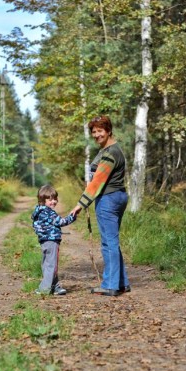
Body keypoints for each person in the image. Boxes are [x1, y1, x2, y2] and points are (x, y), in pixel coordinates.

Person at [71, 115, 130, 297]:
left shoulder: (110, 153)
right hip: (117, 195)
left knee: (108, 243)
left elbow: (97, 182)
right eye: (94, 131)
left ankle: (110, 284)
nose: (96, 135)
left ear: (109, 130)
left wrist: (80, 204)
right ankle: (121, 282)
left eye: (100, 131)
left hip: (108, 199)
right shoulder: (110, 149)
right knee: (112, 241)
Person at [32, 185, 76, 295]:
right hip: (51, 240)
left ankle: (55, 287)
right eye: (50, 199)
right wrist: (72, 216)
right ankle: (44, 289)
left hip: (44, 241)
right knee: (52, 265)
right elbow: (60, 222)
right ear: (43, 200)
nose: (54, 202)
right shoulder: (48, 212)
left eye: (55, 199)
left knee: (47, 264)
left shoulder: (39, 211)